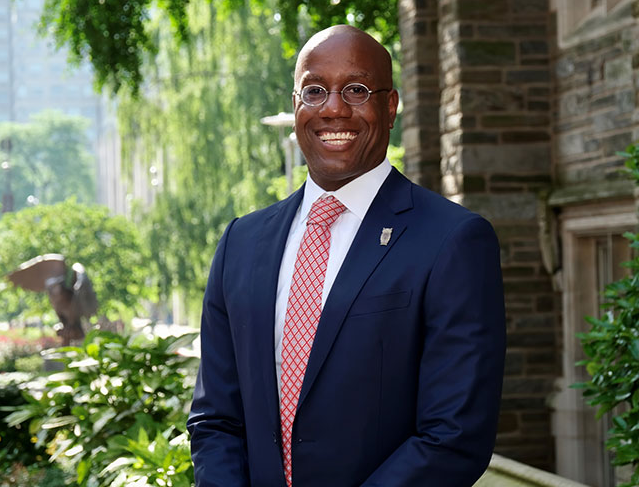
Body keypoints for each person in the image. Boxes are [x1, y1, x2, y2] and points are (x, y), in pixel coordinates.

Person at [187, 25, 506, 487]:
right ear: (296, 107)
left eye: (356, 90)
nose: (333, 108)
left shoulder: (453, 241)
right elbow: (216, 419)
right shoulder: (241, 242)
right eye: (314, 91)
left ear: (390, 106)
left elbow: (453, 436)